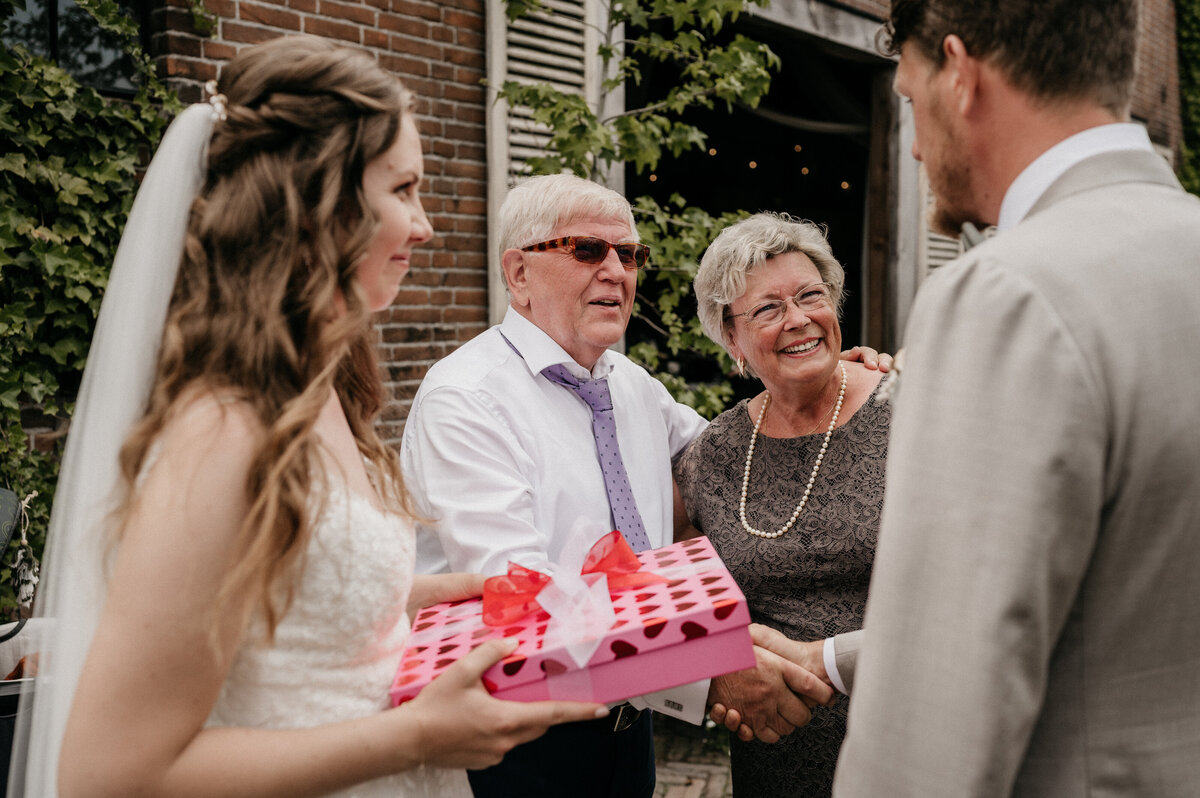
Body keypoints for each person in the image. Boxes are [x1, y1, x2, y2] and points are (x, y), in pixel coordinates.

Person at [8, 35, 608, 798]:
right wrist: (417, 734)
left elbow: (286, 603)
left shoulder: (318, 392)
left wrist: (432, 594)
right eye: (403, 191)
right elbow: (108, 772)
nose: (424, 226)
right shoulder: (222, 428)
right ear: (320, 203)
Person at [832, 2, 1200, 796]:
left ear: (960, 75)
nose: (918, 146)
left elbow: (929, 736)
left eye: (908, 99)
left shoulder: (1007, 295)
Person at [401, 174, 865, 797]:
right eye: (588, 250)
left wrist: (845, 384)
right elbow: (521, 603)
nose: (616, 271)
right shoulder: (467, 400)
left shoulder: (631, 384)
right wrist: (705, 672)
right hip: (521, 735)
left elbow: (749, 462)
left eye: (629, 254)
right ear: (518, 274)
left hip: (631, 728)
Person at [672, 212, 887, 796]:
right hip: (774, 762)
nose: (798, 320)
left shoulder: (914, 409)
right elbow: (656, 579)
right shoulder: (714, 452)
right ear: (732, 340)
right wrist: (715, 668)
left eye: (811, 296)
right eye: (767, 309)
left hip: (906, 746)